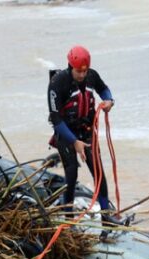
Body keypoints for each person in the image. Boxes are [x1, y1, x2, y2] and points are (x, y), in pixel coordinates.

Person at [47, 45, 121, 227]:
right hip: (66, 134)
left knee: (99, 175)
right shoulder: (57, 83)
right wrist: (74, 142)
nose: (82, 75)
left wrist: (109, 100)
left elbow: (104, 89)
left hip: (87, 132)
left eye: (84, 71)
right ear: (70, 66)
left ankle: (106, 219)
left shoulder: (91, 76)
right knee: (71, 176)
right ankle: (68, 219)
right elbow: (56, 119)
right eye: (78, 71)